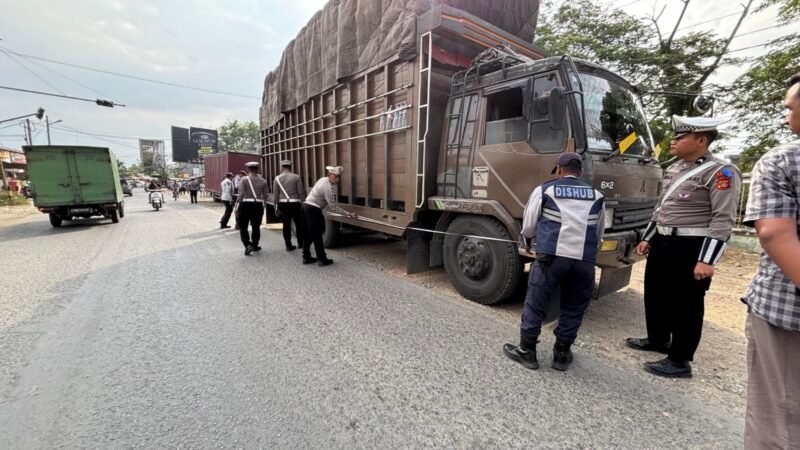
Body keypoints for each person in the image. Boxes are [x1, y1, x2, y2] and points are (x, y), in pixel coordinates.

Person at [625, 115, 741, 378]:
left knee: (686, 304)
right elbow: (662, 210)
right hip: (664, 242)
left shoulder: (720, 172)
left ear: (701, 141)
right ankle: (657, 339)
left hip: (691, 247)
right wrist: (647, 238)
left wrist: (707, 260)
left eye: (680, 137)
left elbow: (723, 219)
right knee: (656, 293)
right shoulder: (676, 168)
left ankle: (679, 360)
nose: (674, 141)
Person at [503, 153, 605, 372]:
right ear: (580, 172)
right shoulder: (597, 195)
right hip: (583, 261)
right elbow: (598, 233)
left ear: (559, 170)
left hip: (551, 259)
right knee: (573, 306)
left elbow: (529, 225)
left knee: (536, 302)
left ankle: (527, 351)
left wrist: (528, 242)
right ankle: (561, 354)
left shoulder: (545, 190)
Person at [741, 72, 800, 449]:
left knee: (776, 420)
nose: (785, 116)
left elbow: (774, 234)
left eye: (789, 108)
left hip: (784, 310)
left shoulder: (780, 161)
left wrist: (709, 258)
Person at [301, 165, 357, 266]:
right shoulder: (327, 188)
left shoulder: (322, 179)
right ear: (330, 175)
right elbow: (334, 207)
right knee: (317, 235)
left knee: (309, 234)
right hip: (313, 210)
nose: (338, 179)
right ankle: (322, 259)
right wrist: (349, 214)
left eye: (338, 177)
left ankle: (306, 257)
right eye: (336, 177)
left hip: (306, 207)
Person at [234, 162, 269, 255]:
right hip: (258, 205)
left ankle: (247, 245)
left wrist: (236, 208)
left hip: (245, 205)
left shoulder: (244, 179)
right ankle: (255, 245)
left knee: (243, 226)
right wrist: (263, 205)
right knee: (256, 226)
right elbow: (266, 196)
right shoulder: (263, 181)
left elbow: (240, 194)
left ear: (248, 169)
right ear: (257, 169)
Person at [273, 159, 306, 251]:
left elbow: (276, 195)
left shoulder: (277, 178)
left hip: (283, 204)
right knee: (299, 224)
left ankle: (288, 245)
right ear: (290, 166)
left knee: (286, 225)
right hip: (296, 203)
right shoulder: (296, 177)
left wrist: (276, 207)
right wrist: (303, 204)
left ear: (282, 167)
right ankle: (300, 243)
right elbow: (301, 192)